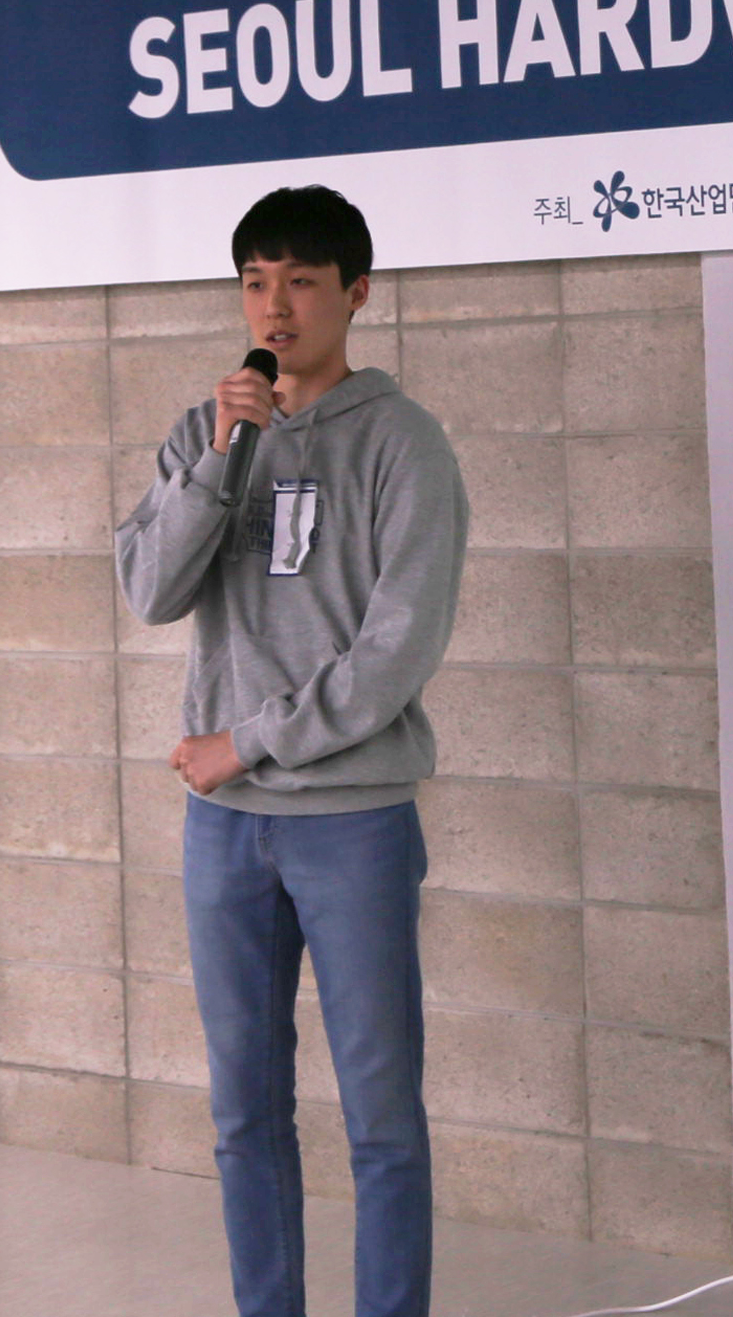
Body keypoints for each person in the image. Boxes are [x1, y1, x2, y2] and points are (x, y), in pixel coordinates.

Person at [114, 185, 468, 1317]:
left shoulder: (404, 445)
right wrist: (221, 458)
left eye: (302, 282)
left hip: (350, 821)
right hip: (225, 833)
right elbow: (149, 589)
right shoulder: (208, 431)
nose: (275, 306)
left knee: (381, 1117)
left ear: (355, 294)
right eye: (256, 282)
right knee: (243, 1111)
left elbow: (394, 653)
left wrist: (246, 743)